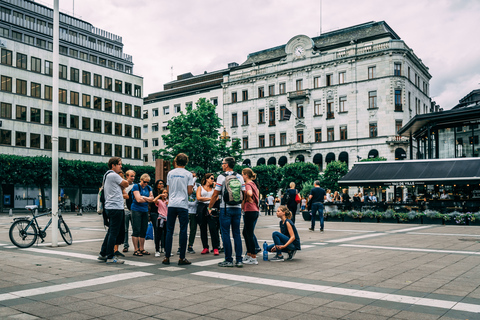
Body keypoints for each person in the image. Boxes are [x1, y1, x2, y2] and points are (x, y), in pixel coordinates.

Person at [208, 157, 245, 268]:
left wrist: (210, 207)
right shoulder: (239, 176)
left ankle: (229, 260)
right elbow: (244, 194)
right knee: (237, 234)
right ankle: (239, 260)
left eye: (223, 163)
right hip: (237, 208)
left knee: (225, 234)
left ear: (226, 165)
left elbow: (215, 194)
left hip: (225, 208)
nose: (222, 165)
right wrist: (241, 207)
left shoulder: (221, 177)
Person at [163, 153, 194, 266]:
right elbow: (190, 192)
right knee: (183, 230)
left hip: (172, 204)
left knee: (169, 230)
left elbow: (168, 189)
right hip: (183, 205)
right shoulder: (188, 174)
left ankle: (166, 257)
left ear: (176, 161)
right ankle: (182, 257)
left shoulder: (170, 173)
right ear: (186, 162)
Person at [98, 157, 129, 264]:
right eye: (119, 164)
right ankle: (110, 256)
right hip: (115, 207)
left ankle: (103, 253)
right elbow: (126, 184)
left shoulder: (106, 175)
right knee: (113, 233)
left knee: (111, 231)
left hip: (110, 207)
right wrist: (128, 179)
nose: (121, 166)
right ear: (113, 165)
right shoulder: (113, 175)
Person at [197, 173, 220, 256]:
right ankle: (205, 247)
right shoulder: (200, 187)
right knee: (203, 228)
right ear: (206, 179)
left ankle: (215, 247)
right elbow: (198, 198)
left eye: (213, 179)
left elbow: (216, 198)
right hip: (202, 208)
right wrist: (211, 198)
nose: (213, 180)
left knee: (213, 228)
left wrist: (214, 188)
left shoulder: (214, 189)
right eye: (211, 178)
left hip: (211, 207)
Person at [131, 173, 154, 256]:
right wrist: (147, 198)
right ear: (141, 180)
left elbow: (152, 199)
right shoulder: (136, 186)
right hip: (136, 209)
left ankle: (142, 248)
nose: (146, 184)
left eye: (147, 182)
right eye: (144, 182)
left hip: (145, 210)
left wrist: (143, 197)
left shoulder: (148, 187)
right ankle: (135, 249)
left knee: (143, 229)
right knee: (136, 229)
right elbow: (138, 199)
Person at [242, 168, 260, 265]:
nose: (242, 176)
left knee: (249, 233)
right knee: (246, 232)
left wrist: (248, 198)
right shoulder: (253, 184)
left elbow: (249, 193)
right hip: (254, 210)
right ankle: (249, 254)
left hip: (250, 210)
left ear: (246, 175)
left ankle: (253, 257)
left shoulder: (248, 184)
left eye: (242, 174)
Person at [151, 180, 166, 256]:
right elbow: (153, 201)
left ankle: (163, 247)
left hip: (164, 214)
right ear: (156, 185)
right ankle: (157, 248)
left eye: (162, 183)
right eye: (160, 184)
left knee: (164, 232)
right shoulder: (154, 193)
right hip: (155, 213)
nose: (161, 185)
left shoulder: (166, 196)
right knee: (157, 231)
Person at [123, 170, 136, 253]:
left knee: (135, 228)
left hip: (133, 209)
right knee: (125, 229)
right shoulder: (123, 186)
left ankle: (137, 246)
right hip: (124, 209)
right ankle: (125, 245)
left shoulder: (135, 186)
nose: (133, 178)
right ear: (127, 176)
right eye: (131, 176)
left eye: (134, 176)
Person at [153, 187, 168, 257]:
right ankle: (157, 250)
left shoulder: (168, 201)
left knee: (166, 235)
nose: (165, 194)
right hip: (160, 218)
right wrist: (159, 196)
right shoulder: (159, 201)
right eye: (164, 192)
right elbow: (154, 200)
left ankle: (165, 249)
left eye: (166, 193)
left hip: (167, 219)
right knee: (158, 234)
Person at [187, 171, 200, 254]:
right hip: (186, 209)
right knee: (183, 229)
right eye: (191, 176)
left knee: (193, 229)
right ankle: (181, 246)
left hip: (194, 210)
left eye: (194, 175)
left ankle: (190, 245)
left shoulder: (198, 186)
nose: (193, 177)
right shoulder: (186, 185)